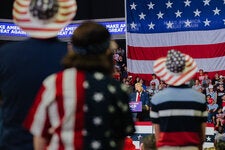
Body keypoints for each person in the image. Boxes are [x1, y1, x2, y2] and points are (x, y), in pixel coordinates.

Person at [23, 21, 135, 150]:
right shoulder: (117, 89)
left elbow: (40, 137)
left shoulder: (53, 83)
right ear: (107, 52)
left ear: (73, 51)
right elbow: (120, 142)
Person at [0, 0, 77, 149]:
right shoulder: (72, 58)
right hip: (57, 144)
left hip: (14, 143)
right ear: (60, 17)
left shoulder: (5, 55)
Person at [150, 50, 207, 150]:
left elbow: (158, 136)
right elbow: (202, 136)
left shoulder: (156, 99)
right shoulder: (200, 99)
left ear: (167, 72)